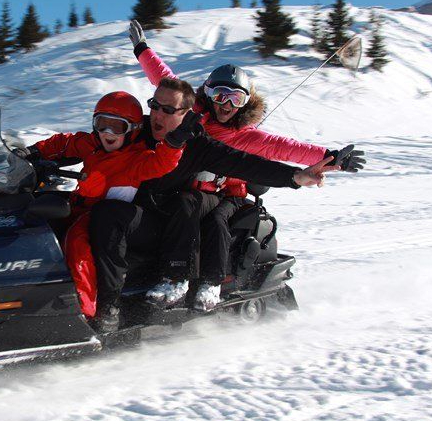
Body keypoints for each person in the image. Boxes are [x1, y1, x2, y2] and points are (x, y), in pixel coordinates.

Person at [127, 20, 365, 310]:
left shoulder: (245, 136)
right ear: (208, 94)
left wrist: (330, 155)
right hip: (186, 187)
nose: (226, 104)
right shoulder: (194, 116)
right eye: (220, 95)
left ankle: (208, 282)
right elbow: (164, 78)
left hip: (226, 195)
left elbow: (285, 147)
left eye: (235, 98)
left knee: (211, 219)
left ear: (244, 103)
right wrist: (142, 49)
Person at [88, 78, 337, 331]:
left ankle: (114, 307)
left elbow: (245, 163)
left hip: (172, 225)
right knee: (101, 213)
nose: (157, 114)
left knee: (176, 204)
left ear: (186, 114)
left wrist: (295, 177)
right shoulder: (136, 129)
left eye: (167, 110)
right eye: (154, 105)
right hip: (145, 215)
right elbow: (92, 141)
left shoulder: (198, 145)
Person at [19, 91, 201, 326]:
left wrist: (175, 143)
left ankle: (90, 309)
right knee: (37, 216)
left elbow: (162, 162)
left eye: (117, 126)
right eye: (102, 124)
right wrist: (32, 152)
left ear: (133, 128)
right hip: (78, 207)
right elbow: (65, 142)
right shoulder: (94, 145)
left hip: (103, 217)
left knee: (77, 244)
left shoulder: (138, 158)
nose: (108, 133)